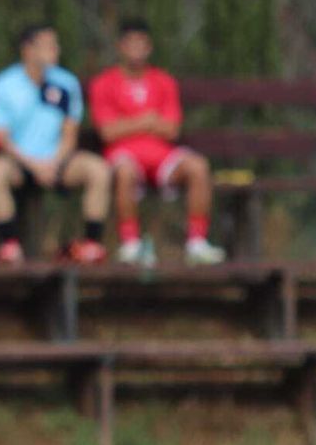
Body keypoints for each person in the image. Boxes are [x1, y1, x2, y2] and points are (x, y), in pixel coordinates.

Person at [90, 19, 226, 266]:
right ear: (121, 47)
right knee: (124, 171)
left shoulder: (164, 82)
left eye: (141, 44)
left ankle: (196, 243)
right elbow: (108, 133)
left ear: (149, 47)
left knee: (198, 167)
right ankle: (130, 245)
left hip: (161, 157)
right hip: (125, 156)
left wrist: (128, 124)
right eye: (131, 44)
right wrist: (147, 120)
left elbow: (171, 129)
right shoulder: (104, 83)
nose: (136, 49)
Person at [0, 24, 111, 264]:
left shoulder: (65, 83)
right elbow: (1, 137)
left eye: (56, 44)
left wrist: (54, 162)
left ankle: (92, 245)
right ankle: (9, 246)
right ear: (28, 50)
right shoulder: (3, 85)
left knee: (98, 169)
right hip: (19, 162)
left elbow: (69, 133)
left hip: (58, 161)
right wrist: (33, 165)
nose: (56, 50)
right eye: (49, 45)